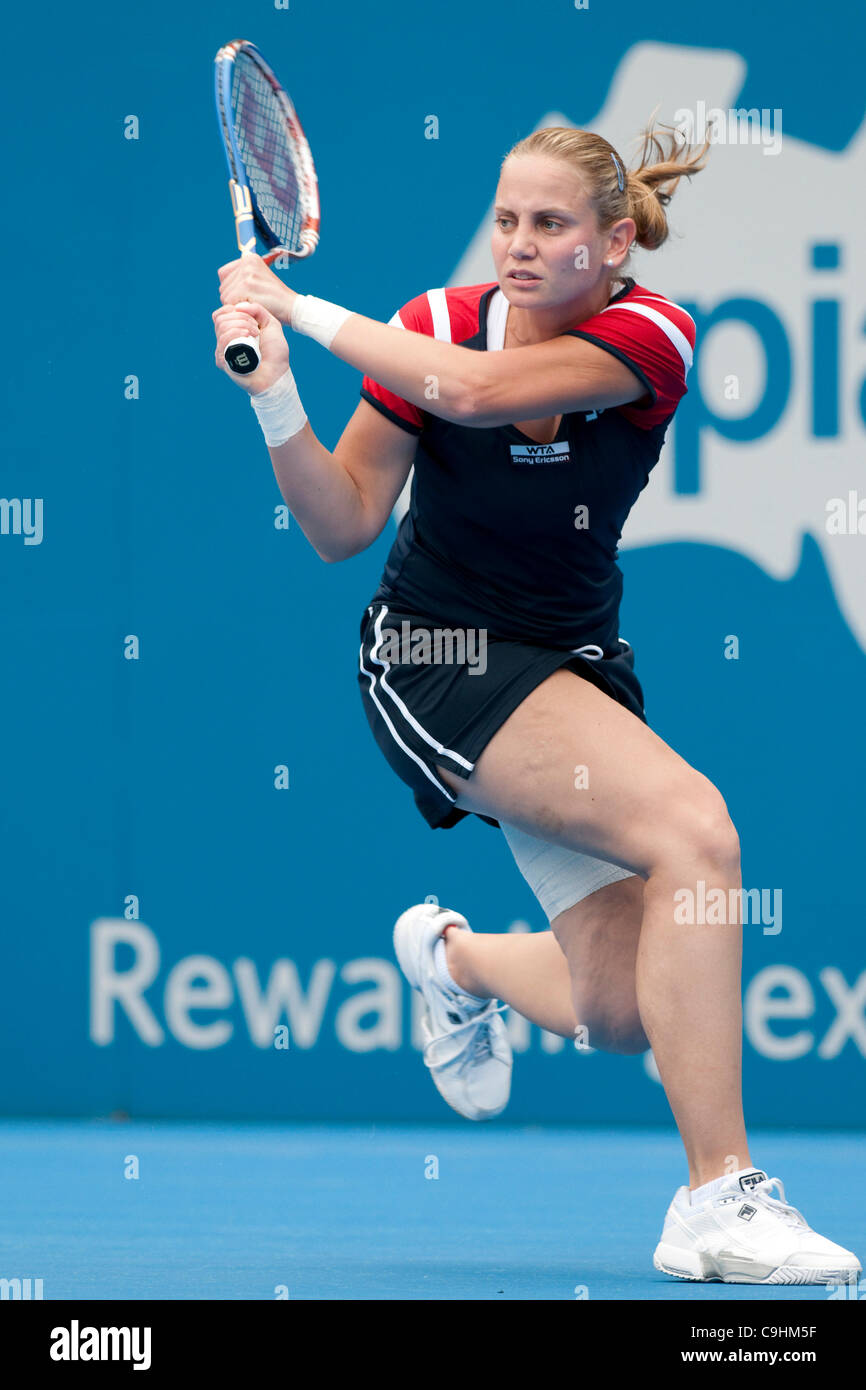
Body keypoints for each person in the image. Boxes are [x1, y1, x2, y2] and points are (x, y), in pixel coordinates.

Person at [213, 123, 860, 1286]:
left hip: (567, 662)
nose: (516, 244)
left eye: (549, 224)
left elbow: (470, 391)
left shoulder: (648, 335)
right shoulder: (434, 322)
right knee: (696, 832)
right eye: (505, 218)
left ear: (613, 244)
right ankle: (718, 1197)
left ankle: (450, 963)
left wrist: (299, 306)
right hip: (434, 658)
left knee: (619, 1007)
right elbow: (340, 523)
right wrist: (273, 395)